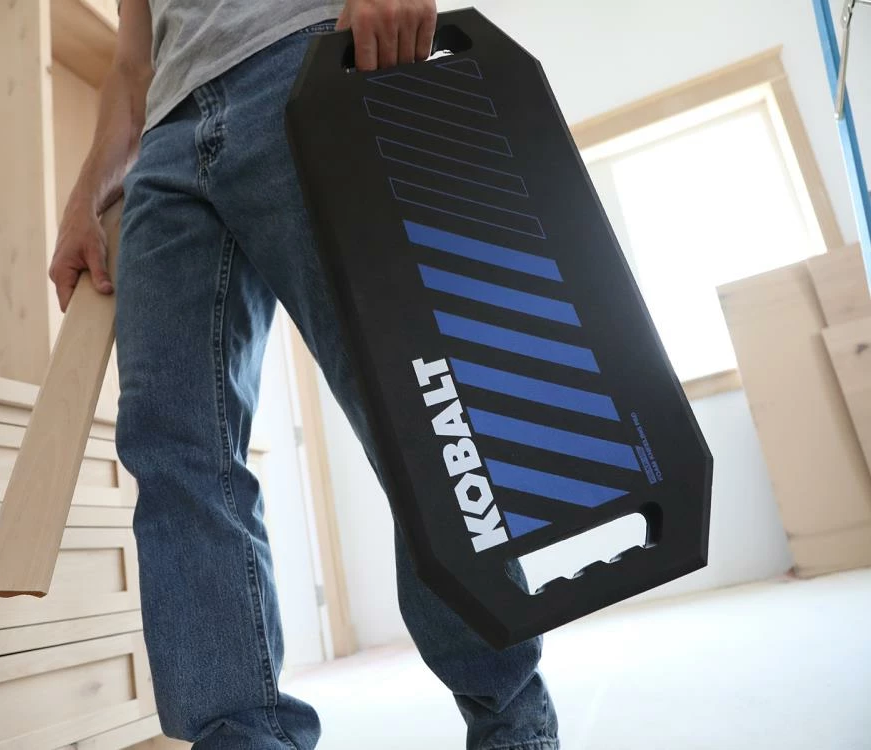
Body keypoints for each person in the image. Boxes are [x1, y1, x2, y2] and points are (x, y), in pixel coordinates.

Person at [49, 1, 559, 748]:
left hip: (310, 61)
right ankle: (243, 738)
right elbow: (132, 66)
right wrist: (84, 195)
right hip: (164, 148)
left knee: (420, 408)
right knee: (172, 453)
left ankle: (513, 725)